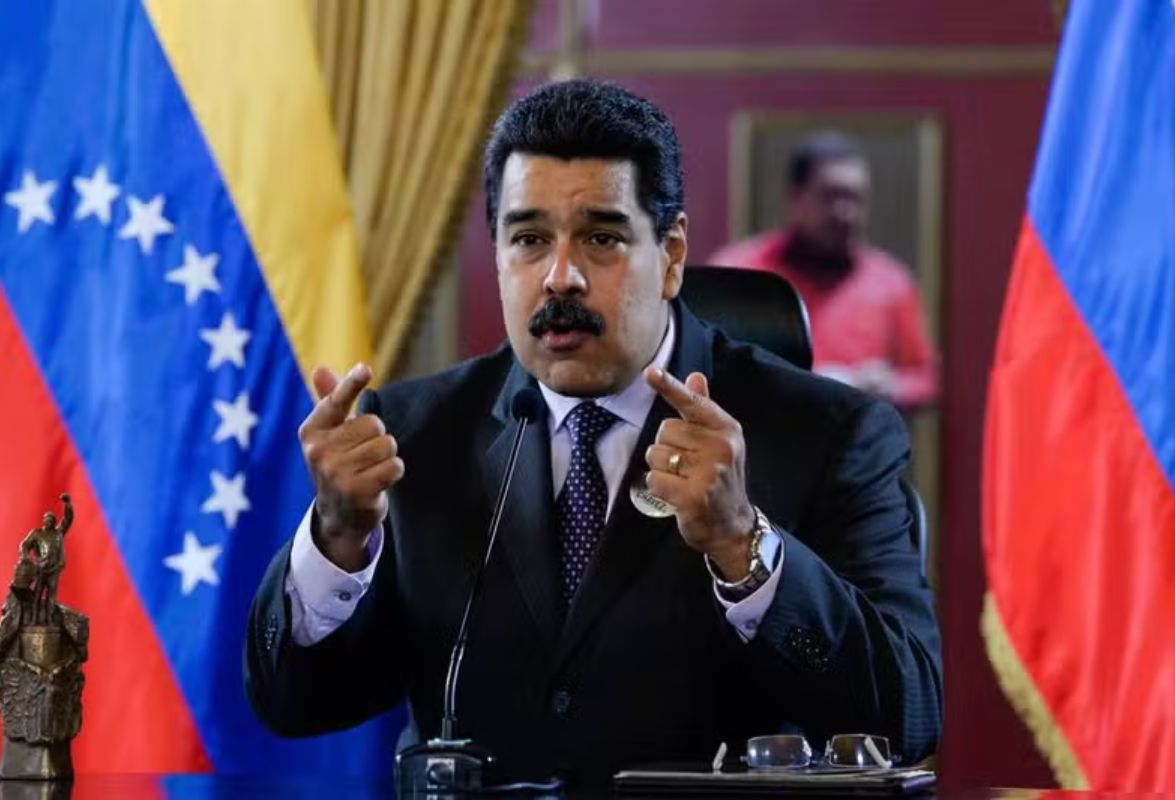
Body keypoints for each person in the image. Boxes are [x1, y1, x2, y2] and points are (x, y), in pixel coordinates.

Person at [244, 80, 941, 784]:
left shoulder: (830, 433)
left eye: (601, 238)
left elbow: (907, 716)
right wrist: (335, 541)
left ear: (670, 256)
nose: (561, 277)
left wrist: (743, 544)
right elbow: (294, 704)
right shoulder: (413, 435)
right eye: (529, 239)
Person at [709, 132, 938, 410]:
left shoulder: (891, 282)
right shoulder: (738, 270)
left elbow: (925, 378)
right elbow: (702, 363)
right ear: (796, 197)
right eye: (830, 196)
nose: (844, 212)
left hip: (857, 446)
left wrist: (890, 386)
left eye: (856, 198)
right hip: (759, 444)